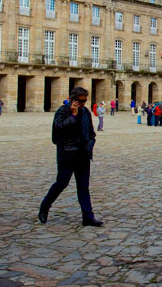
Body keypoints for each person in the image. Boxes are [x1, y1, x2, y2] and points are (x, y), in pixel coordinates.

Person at [39, 86, 102, 227]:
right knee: (61, 184)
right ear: (73, 100)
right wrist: (73, 116)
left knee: (83, 187)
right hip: (67, 155)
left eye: (85, 100)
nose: (83, 104)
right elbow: (58, 130)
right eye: (80, 101)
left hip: (83, 155)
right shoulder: (62, 111)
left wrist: (91, 143)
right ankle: (44, 208)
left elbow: (91, 133)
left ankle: (88, 217)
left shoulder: (86, 112)